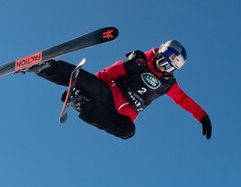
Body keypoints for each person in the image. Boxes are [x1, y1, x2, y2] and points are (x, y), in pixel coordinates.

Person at [30, 39, 211, 141]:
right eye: (162, 62)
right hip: (108, 93)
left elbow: (183, 99)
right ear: (159, 54)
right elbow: (109, 72)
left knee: (128, 132)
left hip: (122, 114)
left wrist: (202, 116)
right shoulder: (138, 62)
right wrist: (85, 86)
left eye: (169, 68)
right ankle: (43, 67)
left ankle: (81, 103)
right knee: (82, 78)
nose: (163, 69)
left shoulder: (167, 84)